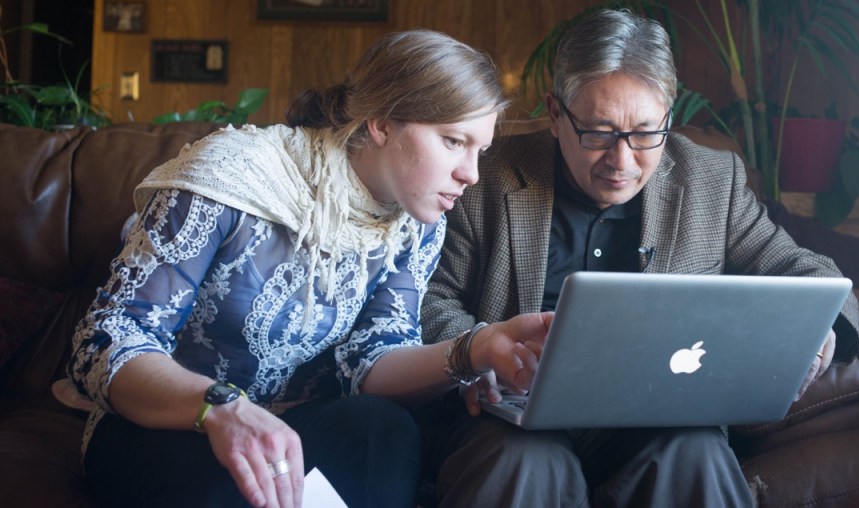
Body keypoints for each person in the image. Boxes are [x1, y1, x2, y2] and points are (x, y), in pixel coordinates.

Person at [67, 30, 554, 508]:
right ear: (381, 124)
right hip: (175, 421)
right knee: (224, 483)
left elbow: (374, 360)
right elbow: (107, 338)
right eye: (453, 141)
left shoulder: (415, 221)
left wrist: (476, 347)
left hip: (295, 427)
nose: (470, 173)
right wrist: (220, 407)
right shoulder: (231, 175)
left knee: (382, 427)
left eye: (479, 151)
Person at [419, 9, 859, 507]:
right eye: (599, 132)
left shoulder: (712, 182)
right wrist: (479, 352)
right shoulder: (487, 175)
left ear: (669, 117)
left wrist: (822, 330)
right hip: (511, 419)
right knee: (523, 462)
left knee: (695, 454)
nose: (622, 161)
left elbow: (812, 274)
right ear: (554, 112)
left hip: (659, 423)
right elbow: (430, 297)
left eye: (646, 133)